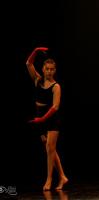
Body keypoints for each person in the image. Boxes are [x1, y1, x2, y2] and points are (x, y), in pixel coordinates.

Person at [26, 47, 68, 191]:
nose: (49, 71)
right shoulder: (37, 80)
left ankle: (49, 179)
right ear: (43, 69)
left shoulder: (56, 87)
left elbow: (55, 107)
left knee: (50, 148)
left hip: (51, 119)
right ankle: (62, 176)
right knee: (50, 149)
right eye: (47, 69)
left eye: (52, 69)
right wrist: (36, 51)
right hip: (40, 118)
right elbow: (28, 64)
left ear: (54, 70)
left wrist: (42, 119)